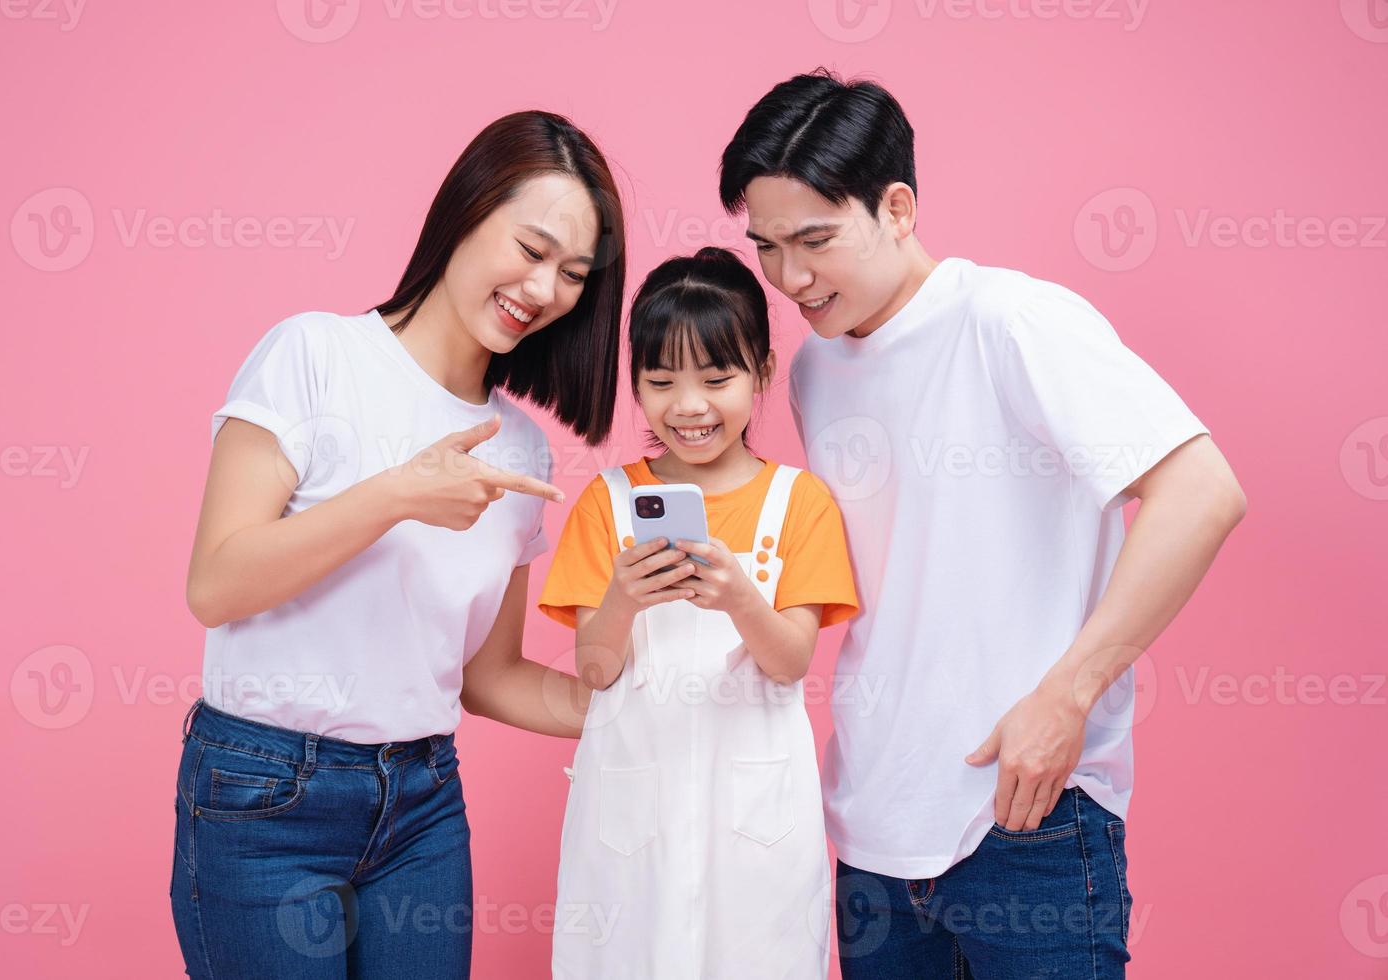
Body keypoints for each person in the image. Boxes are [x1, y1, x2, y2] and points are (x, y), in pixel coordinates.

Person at [718, 70, 1247, 978]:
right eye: (767, 246)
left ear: (897, 206)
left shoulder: (1012, 321)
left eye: (814, 240)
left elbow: (1202, 491)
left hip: (1026, 818)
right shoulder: (813, 371)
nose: (790, 277)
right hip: (871, 836)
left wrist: (1066, 696)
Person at [169, 110, 626, 979]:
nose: (546, 288)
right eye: (530, 249)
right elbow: (216, 585)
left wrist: (653, 716)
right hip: (263, 798)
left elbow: (491, 678)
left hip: (421, 806)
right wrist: (396, 496)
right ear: (467, 210)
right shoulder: (314, 354)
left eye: (572, 274)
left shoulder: (519, 448)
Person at [536, 247, 860, 978]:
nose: (690, 406)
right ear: (638, 385)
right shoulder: (608, 503)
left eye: (718, 379)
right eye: (660, 382)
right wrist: (623, 596)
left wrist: (742, 596)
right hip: (632, 825)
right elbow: (593, 670)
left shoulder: (798, 503)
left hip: (756, 827)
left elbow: (789, 662)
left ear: (762, 374)